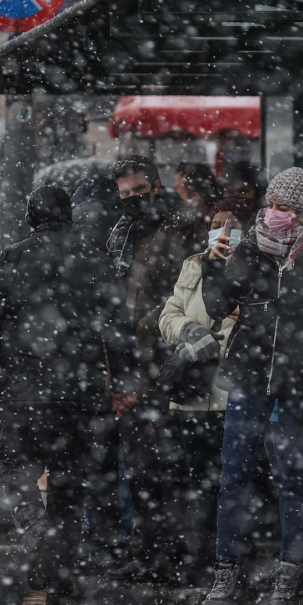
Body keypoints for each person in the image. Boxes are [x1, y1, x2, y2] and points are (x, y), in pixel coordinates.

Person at [0, 185, 139, 600]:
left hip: (22, 390)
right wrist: (124, 384)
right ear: (70, 216)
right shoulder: (94, 259)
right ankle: (60, 566)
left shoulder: (11, 257)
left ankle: (35, 530)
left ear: (30, 218)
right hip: (80, 390)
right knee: (71, 481)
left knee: (15, 471)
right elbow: (118, 325)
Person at [201, 166, 303, 605]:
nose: (275, 214)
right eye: (272, 204)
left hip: (294, 383)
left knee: (292, 477)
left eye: (286, 208)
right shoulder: (251, 247)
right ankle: (226, 570)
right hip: (251, 379)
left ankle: (290, 572)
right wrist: (213, 264)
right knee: (233, 474)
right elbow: (217, 305)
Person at [108, 154, 201, 581]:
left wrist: (144, 326)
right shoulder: (123, 232)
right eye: (124, 193)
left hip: (167, 360)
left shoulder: (179, 228)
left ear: (155, 186)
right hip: (134, 361)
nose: (131, 200)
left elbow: (182, 295)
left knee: (165, 463)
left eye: (138, 191)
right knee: (143, 463)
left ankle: (172, 550)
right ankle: (151, 547)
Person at [157, 198, 248, 584]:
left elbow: (249, 326)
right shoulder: (193, 264)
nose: (222, 229)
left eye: (231, 222)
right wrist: (190, 334)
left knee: (232, 479)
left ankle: (231, 557)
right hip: (194, 395)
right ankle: (201, 554)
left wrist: (215, 341)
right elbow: (169, 315)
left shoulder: (252, 267)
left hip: (232, 393)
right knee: (199, 477)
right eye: (216, 221)